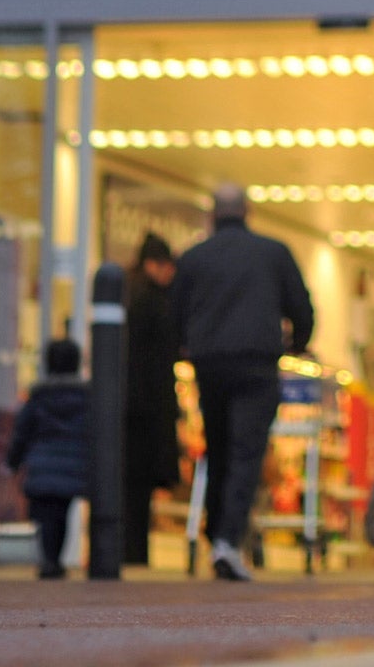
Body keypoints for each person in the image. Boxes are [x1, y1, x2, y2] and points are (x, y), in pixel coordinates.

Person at [173, 184, 314, 582]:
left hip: (210, 363)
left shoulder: (195, 257)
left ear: (212, 214)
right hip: (257, 363)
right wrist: (296, 346)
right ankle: (227, 541)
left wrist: (188, 348)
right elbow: (301, 308)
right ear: (247, 211)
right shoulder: (273, 253)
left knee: (217, 449)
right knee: (246, 451)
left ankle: (216, 533)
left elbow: (176, 313)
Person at [6, 337, 89, 580]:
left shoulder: (39, 396)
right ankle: (54, 561)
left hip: (42, 466)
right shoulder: (86, 398)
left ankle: (49, 561)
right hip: (72, 466)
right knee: (61, 514)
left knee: (45, 516)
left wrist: (13, 461)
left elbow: (22, 432)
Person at [123, 231, 181, 568]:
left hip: (126, 410)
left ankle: (124, 552)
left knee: (125, 487)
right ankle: (135, 554)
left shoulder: (126, 295)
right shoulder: (155, 302)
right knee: (139, 491)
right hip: (146, 411)